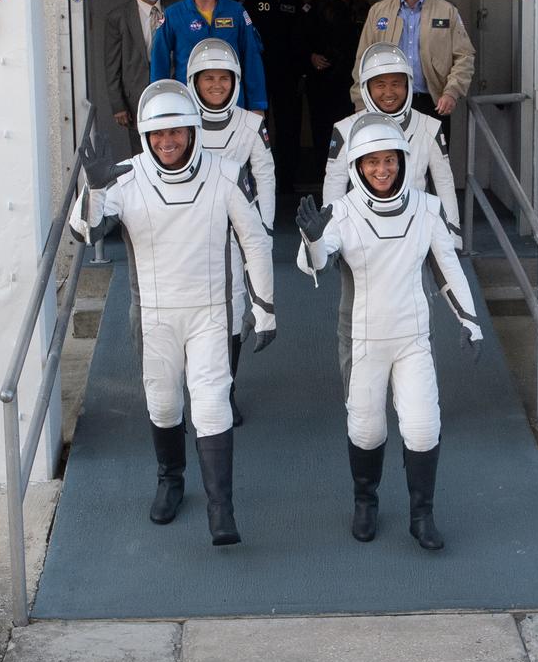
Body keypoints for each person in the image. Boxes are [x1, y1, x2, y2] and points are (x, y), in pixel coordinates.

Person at [69, 80, 276, 546]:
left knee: (211, 405)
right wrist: (95, 190)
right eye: (158, 135)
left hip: (210, 313)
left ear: (191, 130)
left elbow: (256, 242)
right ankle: (171, 480)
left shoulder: (226, 173)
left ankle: (222, 508)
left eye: (177, 132)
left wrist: (264, 308)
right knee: (163, 404)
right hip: (155, 315)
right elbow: (85, 233)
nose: (168, 142)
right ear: (145, 135)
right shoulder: (125, 176)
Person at [296, 114, 482, 550]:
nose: (383, 170)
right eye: (372, 162)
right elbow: (316, 264)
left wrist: (470, 322)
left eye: (390, 161)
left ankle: (422, 514)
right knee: (366, 429)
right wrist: (312, 240)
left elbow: (448, 269)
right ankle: (366, 502)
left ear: (402, 159)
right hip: (362, 341)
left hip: (413, 338)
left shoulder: (427, 208)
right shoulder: (340, 213)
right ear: (358, 166)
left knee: (422, 427)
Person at [187, 38, 275, 427]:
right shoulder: (181, 120)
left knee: (235, 312)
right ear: (195, 81)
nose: (217, 86)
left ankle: (226, 389)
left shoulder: (252, 124)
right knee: (190, 313)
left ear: (235, 81)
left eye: (224, 78)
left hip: (238, 234)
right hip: (190, 235)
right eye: (209, 79)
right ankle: (195, 387)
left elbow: (266, 176)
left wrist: (266, 229)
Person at [323, 43, 462, 246]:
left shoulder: (429, 126)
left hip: (416, 233)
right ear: (366, 87)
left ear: (408, 85)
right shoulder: (346, 129)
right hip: (361, 234)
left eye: (396, 83)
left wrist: (454, 235)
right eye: (380, 84)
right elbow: (334, 185)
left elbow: (444, 184)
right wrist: (329, 234)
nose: (389, 92)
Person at [350, 0, 474, 139]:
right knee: (391, 165)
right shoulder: (378, 11)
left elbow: (464, 56)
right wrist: (361, 102)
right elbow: (363, 60)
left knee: (432, 165)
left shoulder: (447, 11)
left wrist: (451, 92)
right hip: (386, 103)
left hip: (431, 103)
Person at [151, 0, 268, 113]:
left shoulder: (236, 12)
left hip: (233, 106)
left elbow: (252, 58)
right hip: (189, 108)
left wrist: (257, 105)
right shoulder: (173, 15)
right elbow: (159, 63)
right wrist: (161, 106)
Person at [243, 0, 308, 193]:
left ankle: (287, 180)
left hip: (288, 75)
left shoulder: (295, 1)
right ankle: (260, 181)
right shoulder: (251, 1)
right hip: (258, 74)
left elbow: (303, 41)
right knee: (258, 129)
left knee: (289, 128)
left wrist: (303, 73)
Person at [302, 0, 369, 162]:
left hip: (352, 82)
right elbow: (299, 39)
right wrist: (311, 57)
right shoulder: (316, 6)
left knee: (351, 132)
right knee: (323, 133)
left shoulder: (364, 10)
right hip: (322, 82)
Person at [103, 0, 166, 155]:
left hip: (170, 92)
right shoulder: (119, 17)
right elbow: (112, 65)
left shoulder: (175, 7)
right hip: (136, 99)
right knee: (142, 154)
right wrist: (118, 104)